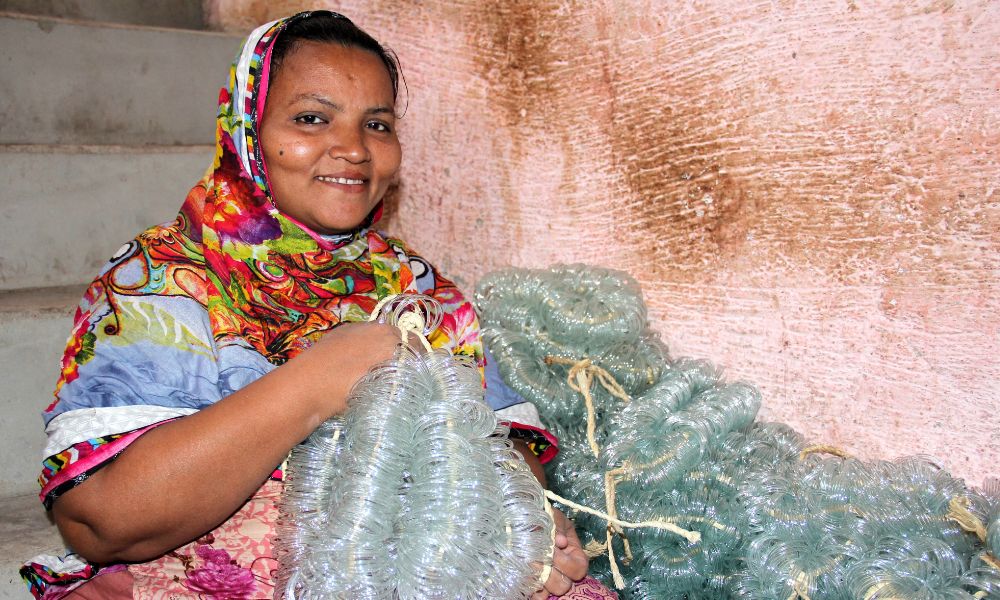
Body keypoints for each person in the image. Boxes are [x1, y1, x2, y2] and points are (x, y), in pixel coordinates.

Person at [20, 10, 618, 600]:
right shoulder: (163, 279)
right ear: (247, 129)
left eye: (377, 125)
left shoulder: (414, 285)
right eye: (311, 118)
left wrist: (519, 516)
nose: (354, 149)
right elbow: (101, 521)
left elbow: (508, 439)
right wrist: (317, 382)